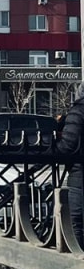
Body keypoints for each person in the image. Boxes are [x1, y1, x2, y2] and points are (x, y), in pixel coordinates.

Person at [55, 92, 84, 245]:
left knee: (76, 224)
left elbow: (68, 145)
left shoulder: (78, 111)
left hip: (79, 176)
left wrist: (52, 149)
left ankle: (79, 265)